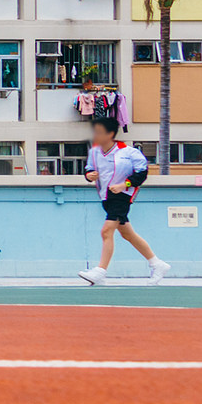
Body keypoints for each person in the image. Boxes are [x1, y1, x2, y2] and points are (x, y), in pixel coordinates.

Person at [78, 115, 170, 285]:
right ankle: (157, 263)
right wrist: (89, 176)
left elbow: (141, 174)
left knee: (106, 231)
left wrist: (124, 185)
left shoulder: (129, 152)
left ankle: (100, 271)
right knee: (127, 233)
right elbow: (89, 171)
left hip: (122, 196)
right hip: (105, 196)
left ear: (110, 133)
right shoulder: (94, 152)